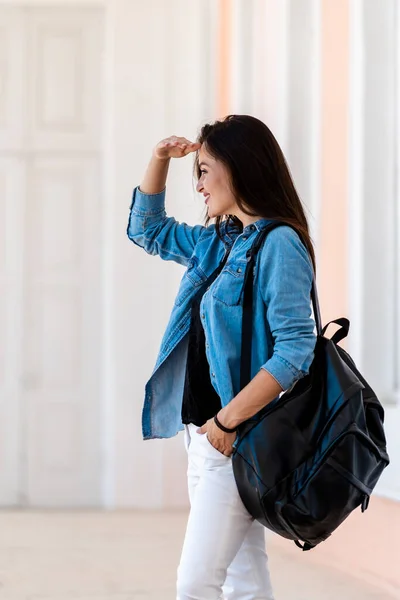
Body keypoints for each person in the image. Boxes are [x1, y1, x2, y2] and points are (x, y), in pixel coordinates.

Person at [127, 115, 317, 600]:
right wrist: (158, 160)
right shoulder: (217, 242)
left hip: (236, 438)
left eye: (206, 170)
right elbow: (148, 230)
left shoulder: (280, 244)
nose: (200, 184)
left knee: (196, 584)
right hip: (204, 437)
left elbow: (296, 347)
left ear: (238, 168)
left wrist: (227, 422)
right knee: (244, 578)